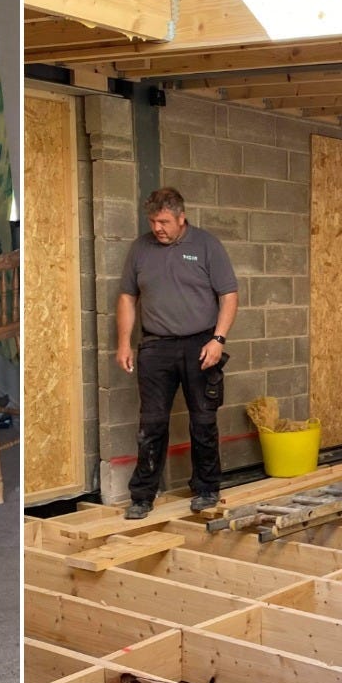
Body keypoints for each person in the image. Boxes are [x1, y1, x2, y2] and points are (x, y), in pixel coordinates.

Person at [116, 187, 238, 518]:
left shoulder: (206, 245)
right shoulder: (140, 249)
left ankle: (207, 488)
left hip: (201, 344)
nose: (158, 228)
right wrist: (124, 342)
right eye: (153, 221)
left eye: (165, 221)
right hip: (155, 346)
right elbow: (128, 296)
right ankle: (142, 496)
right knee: (151, 423)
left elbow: (229, 295)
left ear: (181, 218)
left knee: (203, 419)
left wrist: (219, 339)